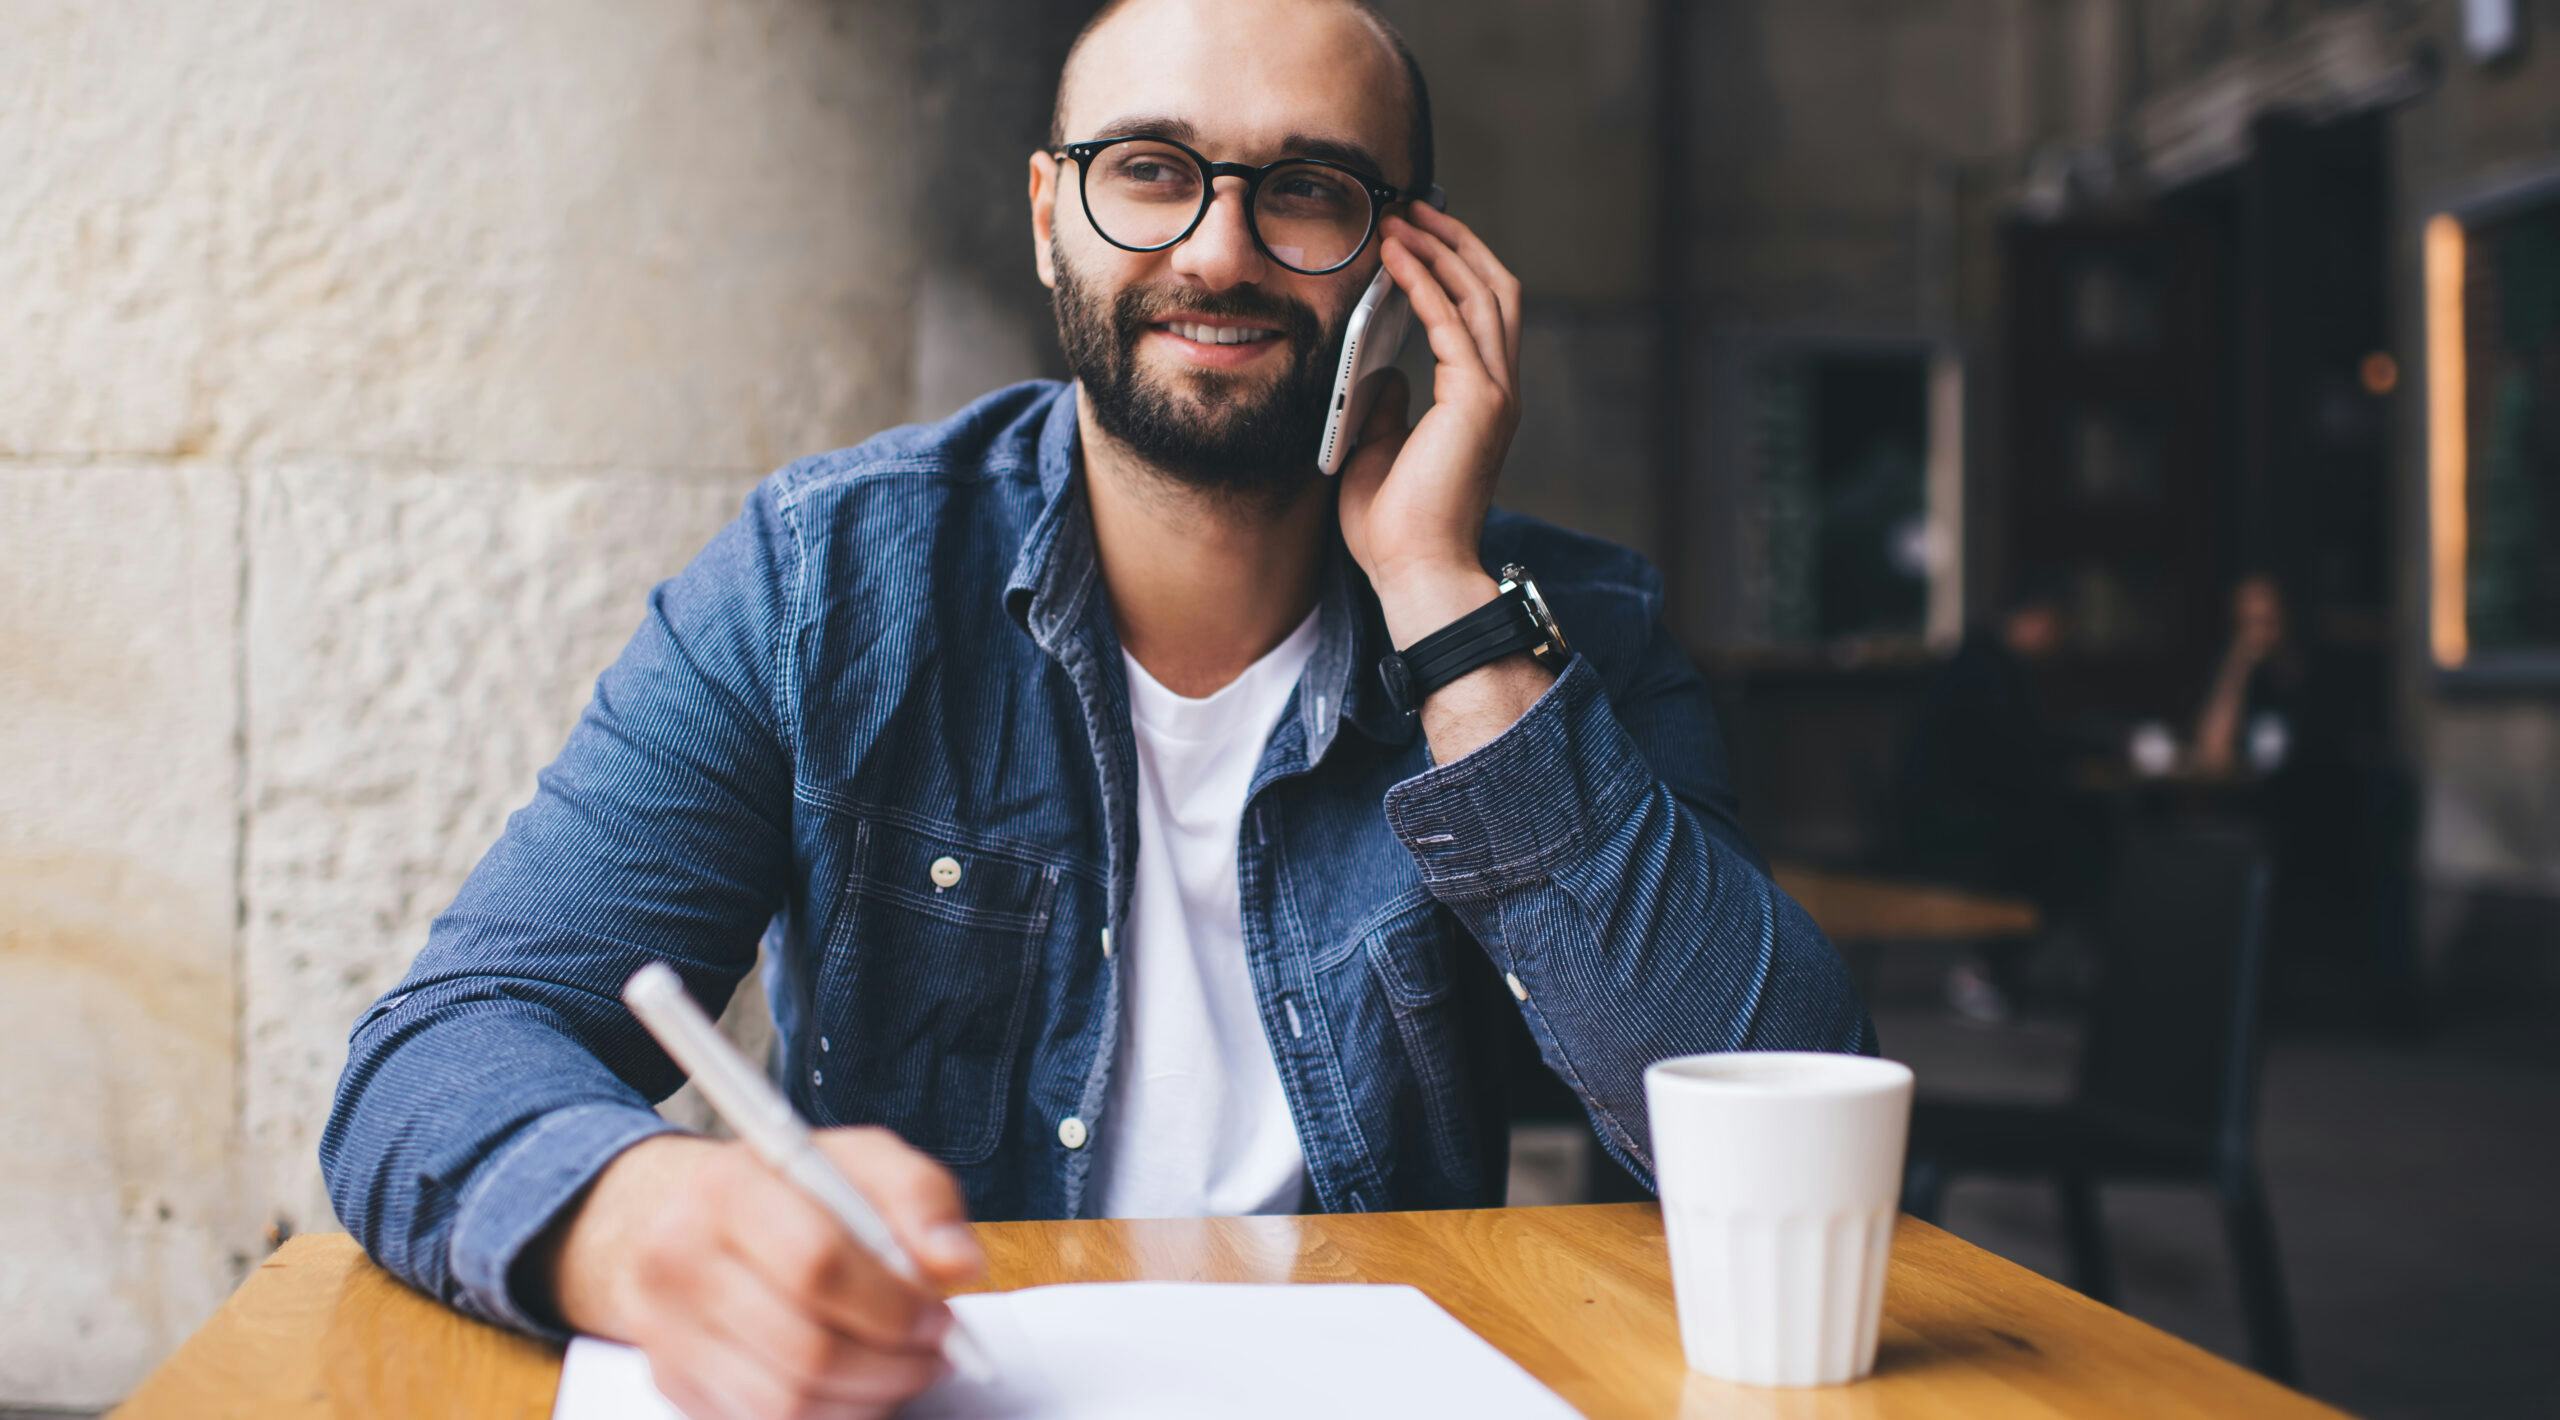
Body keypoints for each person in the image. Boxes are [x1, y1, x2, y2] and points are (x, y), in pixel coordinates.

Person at [319, 1, 1873, 1413]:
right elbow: (441, 1051)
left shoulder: (1551, 632)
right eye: (1150, 169)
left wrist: (1448, 611)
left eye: (1310, 189)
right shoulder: (824, 585)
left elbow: (1791, 1140)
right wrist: (639, 1218)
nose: (1218, 250)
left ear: (1413, 262)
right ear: (1053, 212)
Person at [1894, 583, 2081, 1021]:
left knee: (2060, 841)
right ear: (2034, 620)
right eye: (2053, 626)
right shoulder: (1989, 671)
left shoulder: (1983, 661)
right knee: (2063, 849)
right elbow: (2013, 755)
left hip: (1953, 814)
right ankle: (1990, 970)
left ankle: (2004, 968)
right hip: (1950, 825)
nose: (2056, 640)